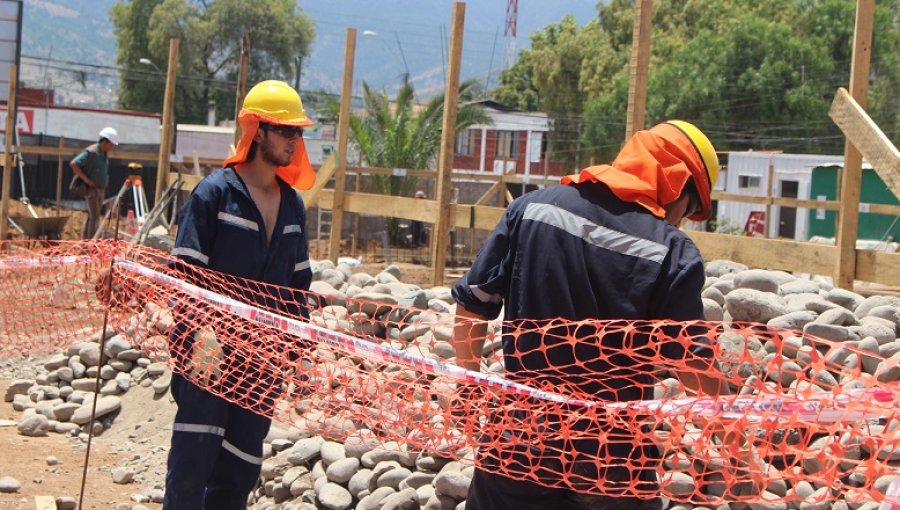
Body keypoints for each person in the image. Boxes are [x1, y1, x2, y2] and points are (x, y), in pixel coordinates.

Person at [451, 121, 755, 510]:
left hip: (518, 444)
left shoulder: (531, 210)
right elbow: (693, 365)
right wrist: (736, 447)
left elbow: (473, 303)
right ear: (676, 183)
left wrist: (466, 382)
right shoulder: (670, 253)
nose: (683, 218)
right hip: (610, 464)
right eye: (693, 206)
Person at [164, 80, 317, 509]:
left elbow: (296, 289)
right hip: (207, 353)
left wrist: (298, 350)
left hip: (263, 359)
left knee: (241, 466)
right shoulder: (213, 194)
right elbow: (185, 273)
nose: (294, 140)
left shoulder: (291, 204)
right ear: (257, 131)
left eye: (299, 132)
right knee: (193, 464)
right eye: (285, 130)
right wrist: (201, 332)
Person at [69, 127, 118, 239]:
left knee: (93, 217)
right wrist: (86, 180)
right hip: (92, 190)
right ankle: (90, 243)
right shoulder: (92, 152)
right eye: (111, 144)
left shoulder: (103, 153)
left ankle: (87, 241)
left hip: (100, 189)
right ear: (105, 142)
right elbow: (74, 164)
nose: (112, 147)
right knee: (94, 217)